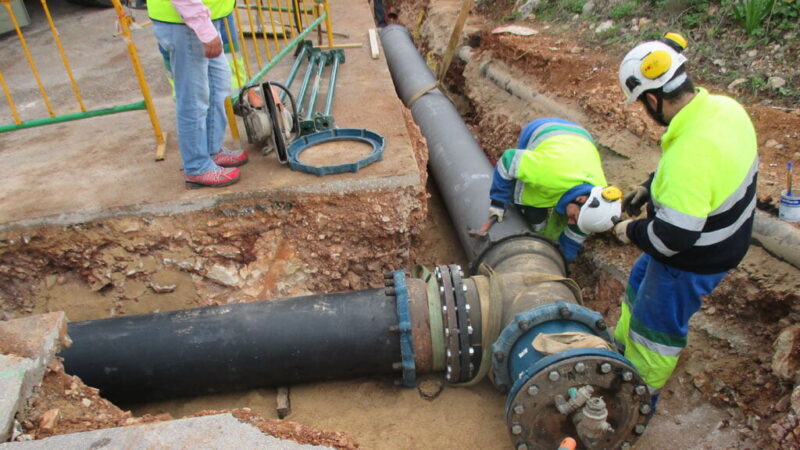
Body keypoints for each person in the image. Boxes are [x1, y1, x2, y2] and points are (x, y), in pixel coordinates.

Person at [612, 33, 758, 408]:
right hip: (725, 233)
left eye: (641, 104)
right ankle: (618, 351)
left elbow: (671, 239)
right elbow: (704, 176)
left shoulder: (687, 153)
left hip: (695, 256)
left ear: (651, 98)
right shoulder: (723, 110)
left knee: (654, 330)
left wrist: (630, 230)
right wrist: (649, 187)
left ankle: (636, 398)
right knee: (639, 281)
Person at [488, 118, 622, 265]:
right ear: (581, 199)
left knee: (557, 203)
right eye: (573, 217)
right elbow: (509, 160)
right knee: (527, 191)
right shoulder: (548, 171)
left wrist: (562, 263)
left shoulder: (595, 202)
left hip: (583, 141)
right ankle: (536, 226)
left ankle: (542, 232)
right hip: (543, 130)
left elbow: (574, 239)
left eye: (574, 219)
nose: (570, 221)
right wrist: (498, 202)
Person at [148, 0, 248, 188]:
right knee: (193, 99)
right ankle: (196, 167)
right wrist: (205, 30)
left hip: (202, 18)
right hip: (186, 21)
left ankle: (210, 150)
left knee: (218, 84)